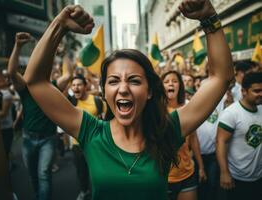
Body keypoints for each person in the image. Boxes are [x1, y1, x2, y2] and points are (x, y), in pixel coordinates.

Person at [23, 0, 233, 199]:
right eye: (113, 81)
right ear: (104, 92)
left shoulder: (168, 130)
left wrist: (209, 18)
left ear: (149, 91)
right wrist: (59, 25)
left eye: (133, 81)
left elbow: (221, 78)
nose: (123, 88)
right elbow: (35, 82)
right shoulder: (91, 132)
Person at [7, 32, 73, 200]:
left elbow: (68, 75)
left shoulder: (53, 86)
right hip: (28, 139)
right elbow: (12, 72)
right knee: (33, 176)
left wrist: (64, 53)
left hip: (48, 139)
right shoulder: (25, 87)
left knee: (44, 173)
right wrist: (18, 46)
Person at [216, 71, 262, 200]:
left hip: (258, 176)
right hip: (238, 177)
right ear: (244, 91)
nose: (261, 94)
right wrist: (224, 172)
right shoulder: (231, 113)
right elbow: (221, 142)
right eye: (257, 91)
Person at [162, 70, 206, 200]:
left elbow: (194, 139)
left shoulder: (187, 109)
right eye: (166, 81)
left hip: (187, 174)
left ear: (180, 86)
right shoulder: (155, 111)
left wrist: (201, 167)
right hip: (164, 177)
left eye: (175, 81)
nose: (171, 84)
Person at [69, 74, 105, 200]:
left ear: (85, 86)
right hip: (77, 144)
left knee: (98, 173)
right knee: (81, 172)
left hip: (95, 144)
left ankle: (100, 193)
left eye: (78, 84)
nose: (75, 87)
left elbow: (106, 119)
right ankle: (84, 191)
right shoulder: (71, 101)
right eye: (73, 85)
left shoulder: (96, 101)